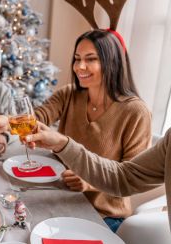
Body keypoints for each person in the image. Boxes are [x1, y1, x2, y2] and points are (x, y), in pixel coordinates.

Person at [33, 29, 152, 232]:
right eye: (77, 58)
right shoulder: (69, 94)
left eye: (91, 59)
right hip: (61, 195)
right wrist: (6, 122)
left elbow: (132, 178)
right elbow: (36, 117)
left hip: (104, 215)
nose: (80, 66)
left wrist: (89, 181)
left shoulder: (136, 112)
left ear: (112, 62)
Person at [25, 122, 170, 230]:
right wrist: (62, 145)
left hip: (106, 214)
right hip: (75, 200)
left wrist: (87, 184)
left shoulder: (137, 111)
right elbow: (123, 177)